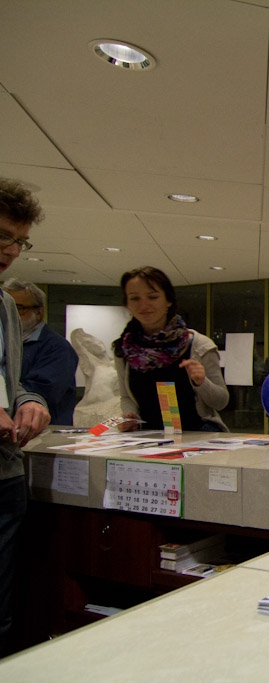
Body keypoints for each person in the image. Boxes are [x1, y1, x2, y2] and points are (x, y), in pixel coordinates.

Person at [0, 179, 51, 653]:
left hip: (5, 473)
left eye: (19, 240)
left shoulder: (5, 308)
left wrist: (28, 401)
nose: (10, 250)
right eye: (1, 236)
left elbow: (9, 380)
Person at [113, 267, 229, 432]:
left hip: (198, 437)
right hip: (147, 439)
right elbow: (126, 397)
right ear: (127, 304)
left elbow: (221, 402)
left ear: (169, 300)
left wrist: (202, 382)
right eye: (135, 298)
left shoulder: (199, 345)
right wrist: (129, 417)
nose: (143, 305)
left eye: (153, 297)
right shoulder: (124, 349)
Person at [2, 279, 78, 425]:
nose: (8, 314)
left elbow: (41, 393)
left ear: (39, 313)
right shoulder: (6, 343)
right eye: (3, 308)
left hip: (42, 436)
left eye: (17, 308)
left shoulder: (57, 348)